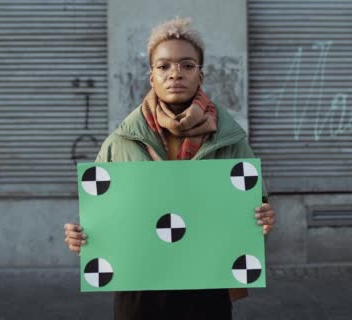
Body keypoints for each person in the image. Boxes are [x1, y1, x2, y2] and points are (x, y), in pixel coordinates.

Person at [64, 17, 276, 320]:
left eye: (187, 65)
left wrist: (263, 220)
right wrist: (83, 237)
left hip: (207, 288)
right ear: (151, 77)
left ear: (201, 75)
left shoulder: (230, 140)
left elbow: (255, 217)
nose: (175, 73)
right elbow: (102, 217)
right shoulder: (119, 143)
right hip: (139, 292)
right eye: (163, 66)